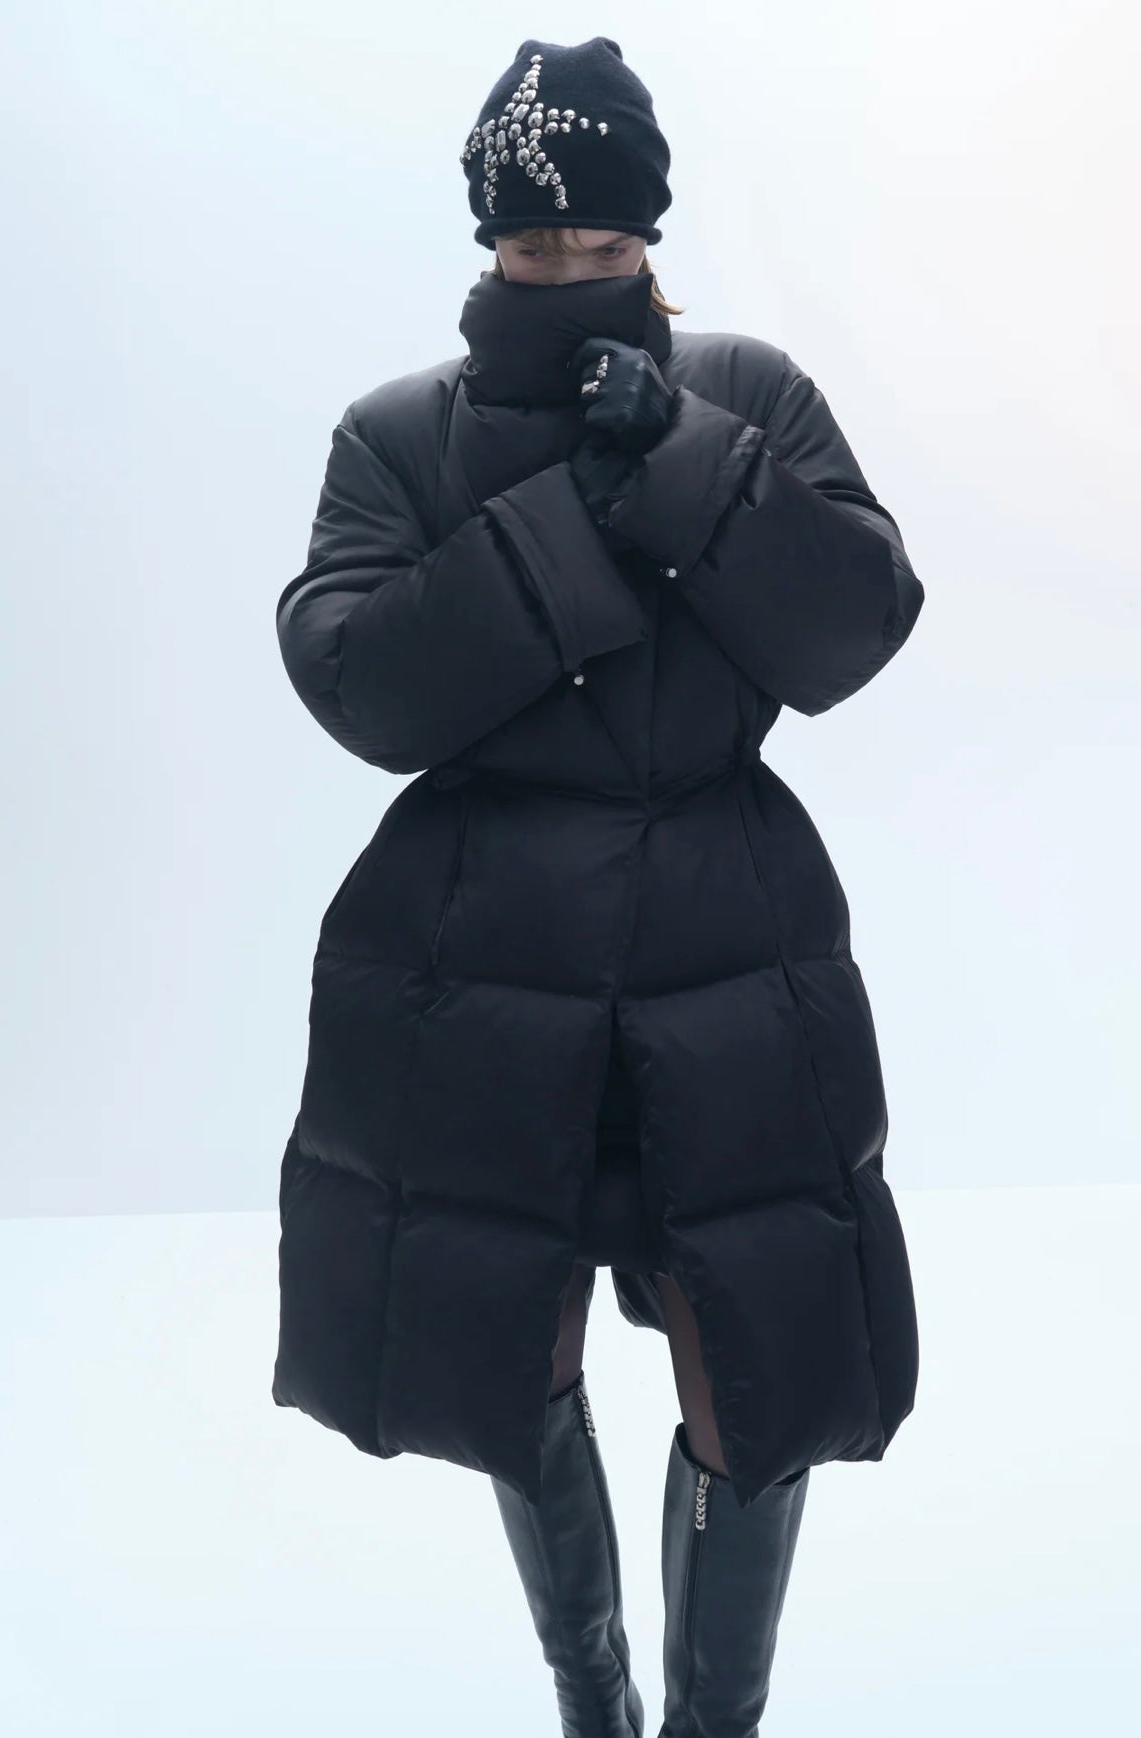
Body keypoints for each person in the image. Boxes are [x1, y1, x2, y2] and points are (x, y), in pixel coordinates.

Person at [272, 34, 924, 1738]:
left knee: (749, 1360)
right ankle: (592, 1702)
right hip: (481, 956)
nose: (566, 268)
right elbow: (363, 690)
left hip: (728, 946)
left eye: (602, 238)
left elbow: (852, 628)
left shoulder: (749, 391)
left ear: (650, 231)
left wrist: (687, 457)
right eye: (532, 238)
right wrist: (578, 501)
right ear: (487, 234)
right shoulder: (396, 432)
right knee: (515, 1344)